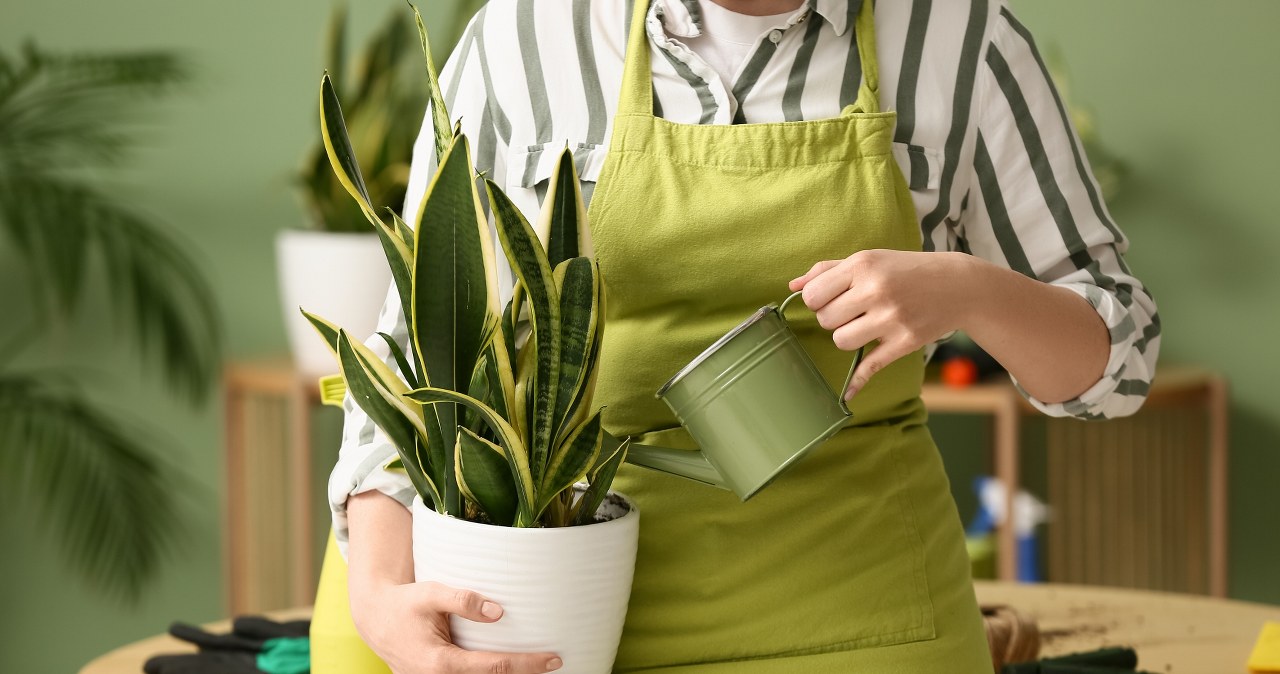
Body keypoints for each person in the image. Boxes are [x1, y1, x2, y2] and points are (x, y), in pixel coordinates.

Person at [315, 1, 1160, 672]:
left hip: (869, 605)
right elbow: (409, 354)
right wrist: (380, 593)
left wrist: (970, 290)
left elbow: (1117, 365)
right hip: (567, 606)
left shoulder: (960, 39)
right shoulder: (526, 36)